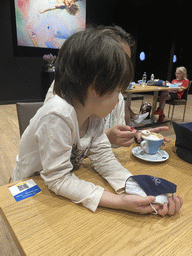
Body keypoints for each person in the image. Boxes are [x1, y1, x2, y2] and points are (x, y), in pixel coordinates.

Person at [12, 28, 182, 216]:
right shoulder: (57, 115)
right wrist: (119, 201)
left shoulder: (93, 115)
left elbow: (104, 157)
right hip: (30, 187)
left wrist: (138, 190)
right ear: (95, 86)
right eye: (117, 91)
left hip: (57, 188)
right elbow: (58, 179)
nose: (119, 99)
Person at [44, 25, 167, 147]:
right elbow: (52, 144)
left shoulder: (115, 96)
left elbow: (110, 147)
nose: (123, 69)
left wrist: (136, 134)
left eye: (126, 62)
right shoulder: (65, 92)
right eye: (117, 60)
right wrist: (105, 137)